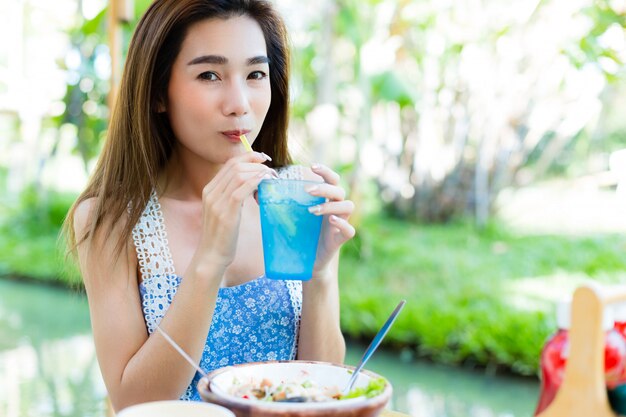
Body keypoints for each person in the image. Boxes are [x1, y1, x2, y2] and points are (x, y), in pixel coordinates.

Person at [64, 0, 355, 411]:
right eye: (209, 75)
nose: (239, 103)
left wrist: (320, 273)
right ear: (158, 93)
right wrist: (210, 259)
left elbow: (321, 388)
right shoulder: (111, 220)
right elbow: (133, 403)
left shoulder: (292, 200)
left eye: (255, 74)